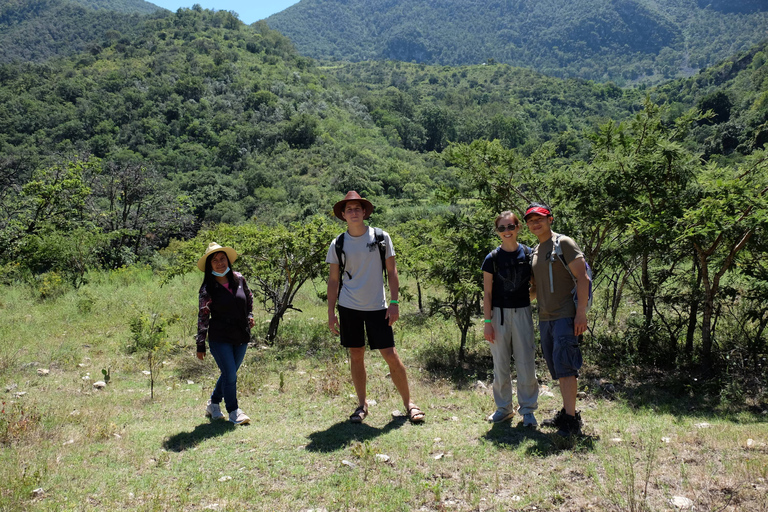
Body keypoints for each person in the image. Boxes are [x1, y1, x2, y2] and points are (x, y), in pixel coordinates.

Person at [326, 191, 425, 424]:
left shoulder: (381, 237)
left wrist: (394, 302)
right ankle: (361, 405)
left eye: (357, 208)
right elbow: (333, 280)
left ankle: (409, 404)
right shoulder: (338, 243)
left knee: (390, 353)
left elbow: (392, 271)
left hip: (378, 306)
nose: (353, 212)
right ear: (343, 214)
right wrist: (331, 312)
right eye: (348, 209)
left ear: (364, 212)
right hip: (349, 306)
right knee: (356, 353)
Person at [525, 203, 589, 437]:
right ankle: (566, 412)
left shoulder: (563, 243)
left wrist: (580, 312)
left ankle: (571, 422)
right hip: (545, 318)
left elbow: (583, 278)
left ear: (550, 219)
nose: (535, 223)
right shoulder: (535, 251)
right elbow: (534, 290)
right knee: (558, 368)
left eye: (539, 218)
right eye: (531, 220)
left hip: (565, 316)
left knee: (566, 368)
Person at [482, 211, 539, 426]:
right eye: (502, 228)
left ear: (518, 228)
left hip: (523, 312)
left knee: (526, 363)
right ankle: (503, 409)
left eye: (510, 227)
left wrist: (525, 299)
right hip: (498, 315)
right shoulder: (492, 258)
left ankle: (528, 411)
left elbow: (535, 285)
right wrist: (488, 323)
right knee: (500, 365)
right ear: (497, 232)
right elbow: (487, 293)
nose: (507, 231)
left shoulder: (528, 253)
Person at [196, 242, 254, 425]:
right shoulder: (207, 289)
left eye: (222, 258)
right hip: (220, 337)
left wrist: (250, 315)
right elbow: (203, 316)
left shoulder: (239, 279)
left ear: (228, 260)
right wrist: (200, 344)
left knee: (230, 373)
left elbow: (249, 298)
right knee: (230, 374)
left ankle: (213, 404)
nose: (220, 263)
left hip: (241, 334)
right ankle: (234, 411)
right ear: (209, 265)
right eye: (215, 260)